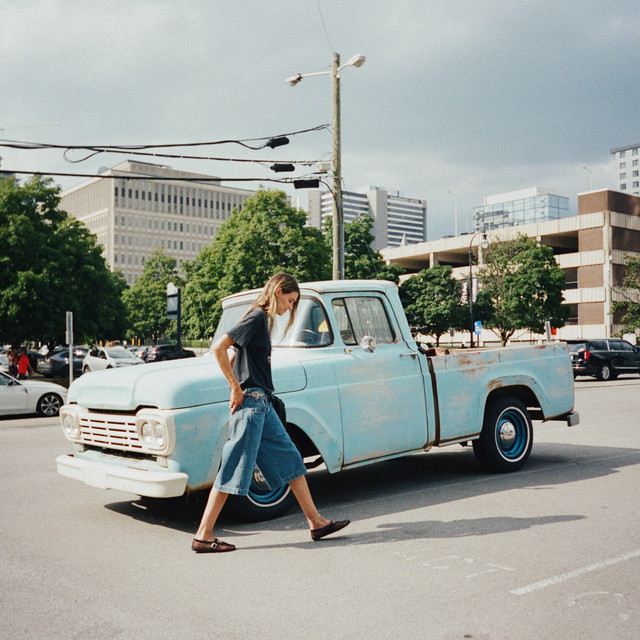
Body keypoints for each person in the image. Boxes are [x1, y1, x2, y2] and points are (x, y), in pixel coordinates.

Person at [193, 272, 350, 553]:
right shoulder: (256, 316)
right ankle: (203, 536)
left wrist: (237, 377)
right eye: (290, 300)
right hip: (251, 404)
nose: (290, 307)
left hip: (262, 405)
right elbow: (220, 348)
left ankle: (316, 522)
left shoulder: (261, 321)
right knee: (232, 467)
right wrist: (235, 387)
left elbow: (234, 355)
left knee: (291, 459)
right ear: (277, 290)